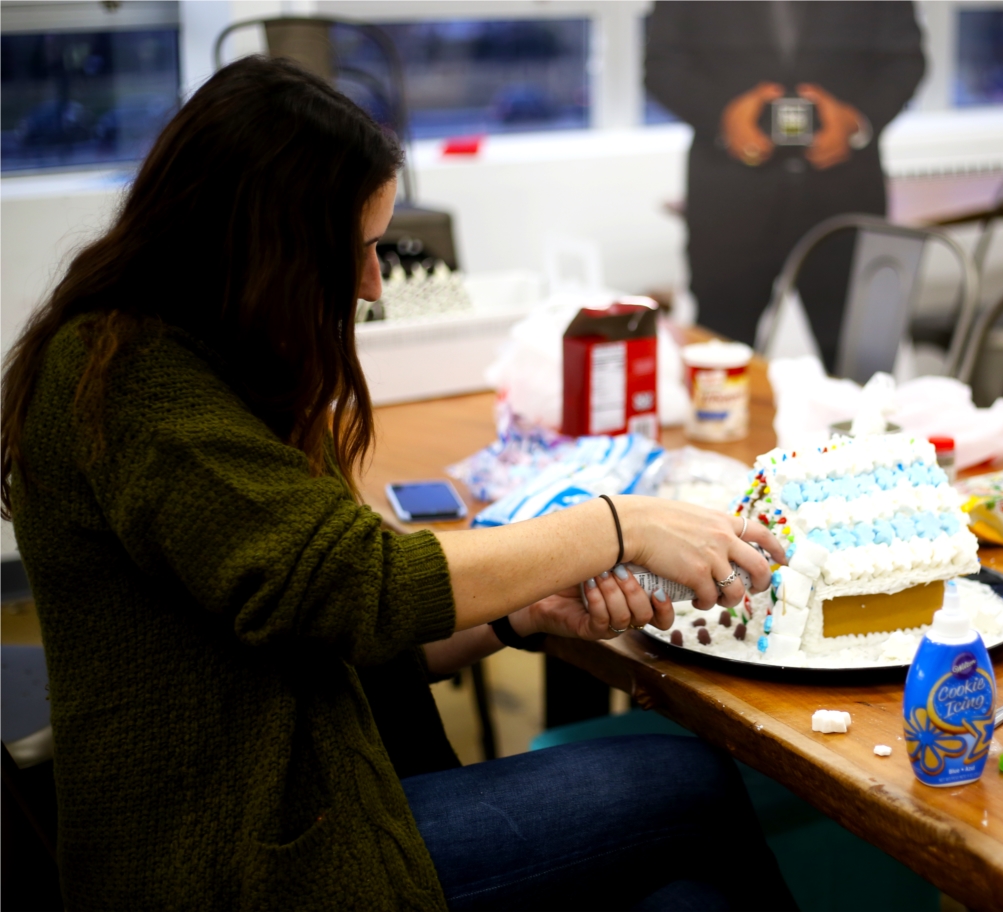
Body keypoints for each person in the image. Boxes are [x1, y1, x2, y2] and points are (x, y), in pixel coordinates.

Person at [0, 57, 796, 911]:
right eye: (360, 251)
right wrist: (616, 525)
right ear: (262, 245)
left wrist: (518, 612)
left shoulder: (183, 357)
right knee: (687, 784)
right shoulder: (132, 383)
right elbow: (353, 586)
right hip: (236, 860)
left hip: (299, 795)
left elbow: (338, 626)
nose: (375, 287)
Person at [645, 1, 925, 372]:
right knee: (718, 367)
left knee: (862, 373)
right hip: (730, 199)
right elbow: (661, 64)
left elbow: (906, 59)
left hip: (845, 196)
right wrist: (722, 119)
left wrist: (857, 121)